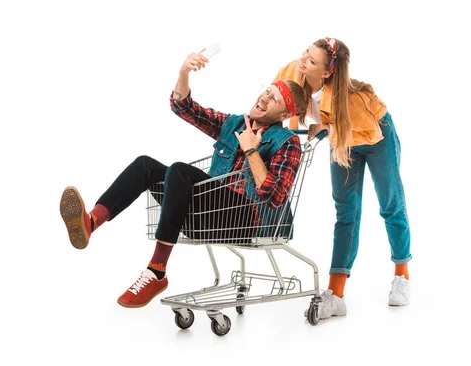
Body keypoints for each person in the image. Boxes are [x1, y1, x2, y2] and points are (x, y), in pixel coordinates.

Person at [60, 50, 306, 308]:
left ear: (283, 116)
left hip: (245, 220)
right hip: (206, 213)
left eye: (275, 99)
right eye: (268, 91)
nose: (265, 98)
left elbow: (275, 196)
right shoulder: (236, 123)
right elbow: (185, 108)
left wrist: (252, 150)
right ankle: (90, 222)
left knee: (179, 170)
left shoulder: (287, 143)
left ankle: (156, 271)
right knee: (146, 165)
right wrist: (184, 72)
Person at [274, 37, 412, 318]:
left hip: (375, 135)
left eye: (311, 61)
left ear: (326, 72)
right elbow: (276, 102)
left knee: (390, 203)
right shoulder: (292, 71)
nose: (303, 61)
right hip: (342, 136)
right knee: (346, 211)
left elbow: (366, 132)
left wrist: (326, 127)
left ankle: (402, 274)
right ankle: (336, 295)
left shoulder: (354, 99)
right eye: (306, 53)